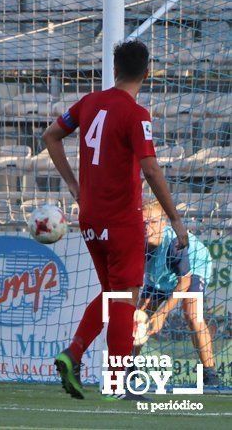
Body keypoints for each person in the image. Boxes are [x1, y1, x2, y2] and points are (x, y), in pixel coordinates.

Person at [42, 39, 188, 400]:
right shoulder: (136, 114)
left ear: (115, 69)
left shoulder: (89, 102)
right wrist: (176, 220)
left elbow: (51, 135)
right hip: (122, 219)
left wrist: (75, 186)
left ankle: (74, 353)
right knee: (124, 298)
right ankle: (117, 382)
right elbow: (151, 169)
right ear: (148, 72)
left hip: (91, 216)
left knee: (113, 294)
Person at [137, 200, 220, 386]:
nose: (147, 227)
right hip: (159, 272)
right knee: (140, 317)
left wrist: (162, 314)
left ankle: (210, 374)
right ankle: (129, 368)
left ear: (164, 223)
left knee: (192, 314)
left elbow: (184, 282)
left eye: (153, 222)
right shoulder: (135, 243)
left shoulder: (175, 243)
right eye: (143, 222)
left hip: (194, 265)